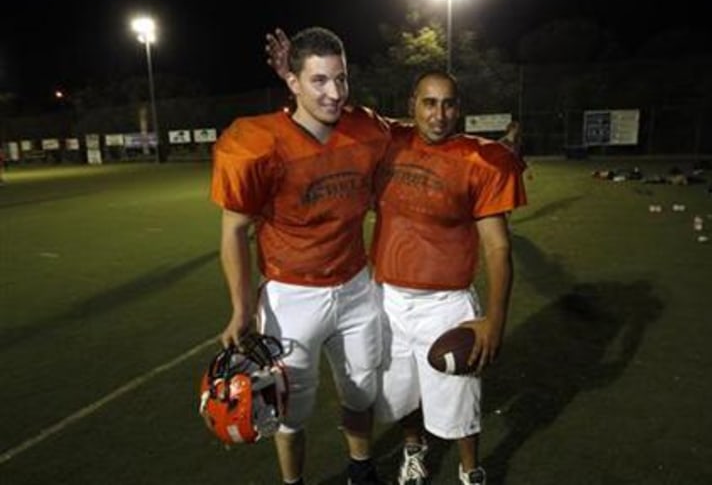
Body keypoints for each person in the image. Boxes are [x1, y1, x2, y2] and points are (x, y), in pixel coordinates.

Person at [266, 31, 526, 485]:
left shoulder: (481, 161)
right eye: (429, 103)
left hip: (447, 302)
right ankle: (413, 450)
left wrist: (495, 320)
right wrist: (292, 75)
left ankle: (471, 472)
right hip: (385, 297)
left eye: (447, 104)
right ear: (412, 105)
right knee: (399, 395)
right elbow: (329, 111)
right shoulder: (389, 140)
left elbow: (499, 247)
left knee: (458, 402)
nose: (438, 114)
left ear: (458, 108)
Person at [211, 26, 390, 485]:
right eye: (318, 80)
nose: (334, 93)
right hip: (292, 294)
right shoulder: (258, 143)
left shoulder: (366, 130)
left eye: (341, 79)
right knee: (288, 409)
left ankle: (361, 469)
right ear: (292, 82)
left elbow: (415, 139)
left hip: (354, 285)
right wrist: (242, 307)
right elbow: (233, 230)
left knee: (362, 390)